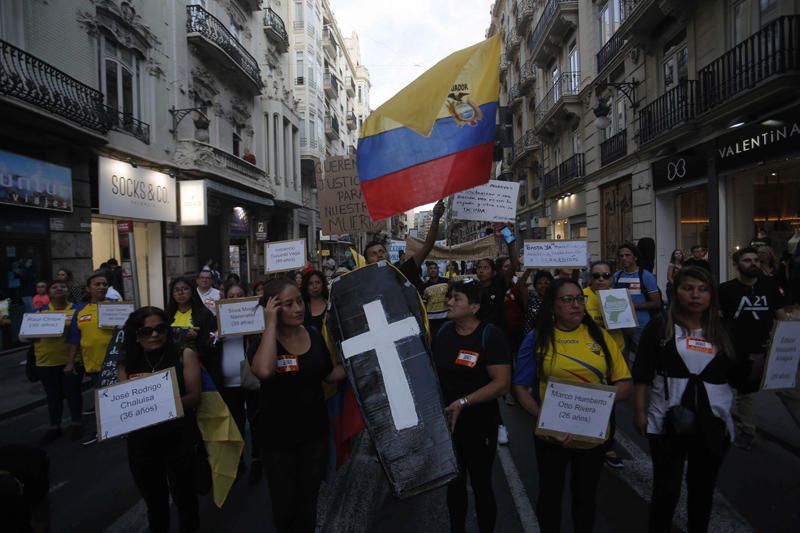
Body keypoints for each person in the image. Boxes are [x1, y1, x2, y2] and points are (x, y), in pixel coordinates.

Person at [513, 279, 632, 533]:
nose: (576, 305)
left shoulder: (601, 337)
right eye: (567, 299)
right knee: (550, 498)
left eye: (579, 298)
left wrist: (596, 402)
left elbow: (625, 382)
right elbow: (521, 388)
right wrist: (544, 419)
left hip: (592, 437)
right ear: (553, 306)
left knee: (585, 499)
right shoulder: (537, 338)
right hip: (551, 437)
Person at [633, 266, 740, 533]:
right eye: (688, 288)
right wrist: (639, 411)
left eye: (702, 290)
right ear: (676, 290)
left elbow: (739, 377)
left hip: (713, 420)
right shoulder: (660, 326)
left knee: (702, 491)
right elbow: (643, 373)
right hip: (667, 419)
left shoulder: (724, 329)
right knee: (666, 491)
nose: (695, 295)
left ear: (711, 295)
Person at [250, 279, 344, 533]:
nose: (298, 308)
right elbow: (265, 370)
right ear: (273, 308)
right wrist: (270, 325)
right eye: (288, 304)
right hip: (278, 438)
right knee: (285, 505)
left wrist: (360, 360)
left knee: (308, 500)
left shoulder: (313, 334)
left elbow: (329, 374)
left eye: (299, 301)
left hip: (314, 434)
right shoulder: (261, 342)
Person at [433, 280, 511, 533]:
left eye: (457, 298)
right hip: (449, 425)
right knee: (454, 485)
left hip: (480, 424)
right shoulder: (444, 332)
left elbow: (501, 384)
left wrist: (464, 402)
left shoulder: (491, 335)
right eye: (450, 297)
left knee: (481, 485)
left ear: (474, 307)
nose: (449, 302)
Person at [118, 307, 201, 533]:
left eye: (159, 329)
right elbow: (122, 401)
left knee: (185, 498)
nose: (154, 335)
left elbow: (194, 397)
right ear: (136, 335)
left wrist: (158, 405)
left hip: (178, 439)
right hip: (141, 443)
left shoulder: (184, 355)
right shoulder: (127, 362)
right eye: (146, 331)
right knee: (155, 503)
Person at [718, 247, 785, 450]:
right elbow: (718, 318)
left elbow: (780, 315)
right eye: (747, 260)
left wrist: (781, 342)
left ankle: (745, 430)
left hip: (763, 349)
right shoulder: (726, 289)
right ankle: (732, 428)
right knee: (735, 391)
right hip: (734, 349)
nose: (753, 263)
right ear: (737, 265)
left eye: (756, 259)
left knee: (776, 391)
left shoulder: (769, 286)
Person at [583, 261, 627, 469]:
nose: (601, 280)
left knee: (609, 401)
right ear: (590, 278)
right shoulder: (581, 297)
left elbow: (629, 330)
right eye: (596, 276)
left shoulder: (619, 297)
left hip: (615, 355)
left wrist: (625, 316)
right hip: (590, 356)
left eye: (606, 276)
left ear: (611, 278)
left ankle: (608, 445)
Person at [30, 280, 82, 444]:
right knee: (52, 396)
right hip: (46, 362)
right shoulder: (39, 312)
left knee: (73, 394)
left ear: (68, 291)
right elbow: (25, 336)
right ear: (49, 293)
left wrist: (71, 362)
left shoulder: (76, 310)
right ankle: (54, 427)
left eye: (63, 286)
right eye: (55, 287)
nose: (59, 289)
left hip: (71, 360)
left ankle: (76, 424)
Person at [66, 270, 114, 444]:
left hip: (117, 362)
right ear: (88, 288)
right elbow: (74, 338)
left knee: (117, 395)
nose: (102, 287)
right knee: (101, 396)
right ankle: (102, 429)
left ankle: (120, 426)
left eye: (104, 284)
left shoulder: (117, 306)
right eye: (97, 284)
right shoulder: (80, 310)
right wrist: (70, 363)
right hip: (93, 362)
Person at [363, 199, 445, 293]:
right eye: (373, 254)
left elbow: (427, 246)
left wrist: (436, 218)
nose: (379, 255)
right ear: (366, 262)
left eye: (382, 251)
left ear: (388, 255)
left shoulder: (403, 272)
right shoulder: (367, 288)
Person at [613, 243, 662, 361]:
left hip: (641, 325)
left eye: (627, 255)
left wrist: (632, 306)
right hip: (620, 325)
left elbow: (656, 303)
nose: (624, 258)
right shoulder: (616, 276)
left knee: (642, 357)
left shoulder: (646, 276)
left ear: (635, 257)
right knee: (621, 357)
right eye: (621, 256)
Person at [165, 277, 216, 357]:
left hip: (198, 359)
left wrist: (198, 336)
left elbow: (211, 341)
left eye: (185, 289)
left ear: (192, 291)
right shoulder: (167, 315)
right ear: (172, 294)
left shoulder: (205, 314)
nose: (181, 293)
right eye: (177, 290)